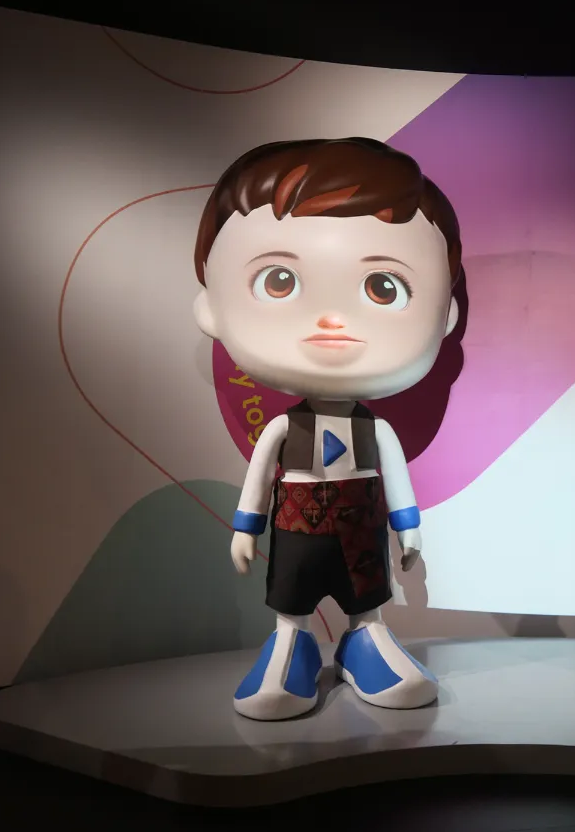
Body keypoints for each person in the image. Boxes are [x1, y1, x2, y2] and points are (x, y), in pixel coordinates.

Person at [193, 137, 462, 721]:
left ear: (447, 316)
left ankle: (366, 640)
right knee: (292, 597)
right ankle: (290, 643)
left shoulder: (376, 431)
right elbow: (259, 480)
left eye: (383, 287)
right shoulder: (283, 429)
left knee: (366, 595)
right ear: (209, 307)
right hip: (295, 527)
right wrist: (245, 528)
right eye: (279, 281)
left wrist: (408, 528)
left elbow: (397, 482)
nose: (332, 321)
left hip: (361, 525)